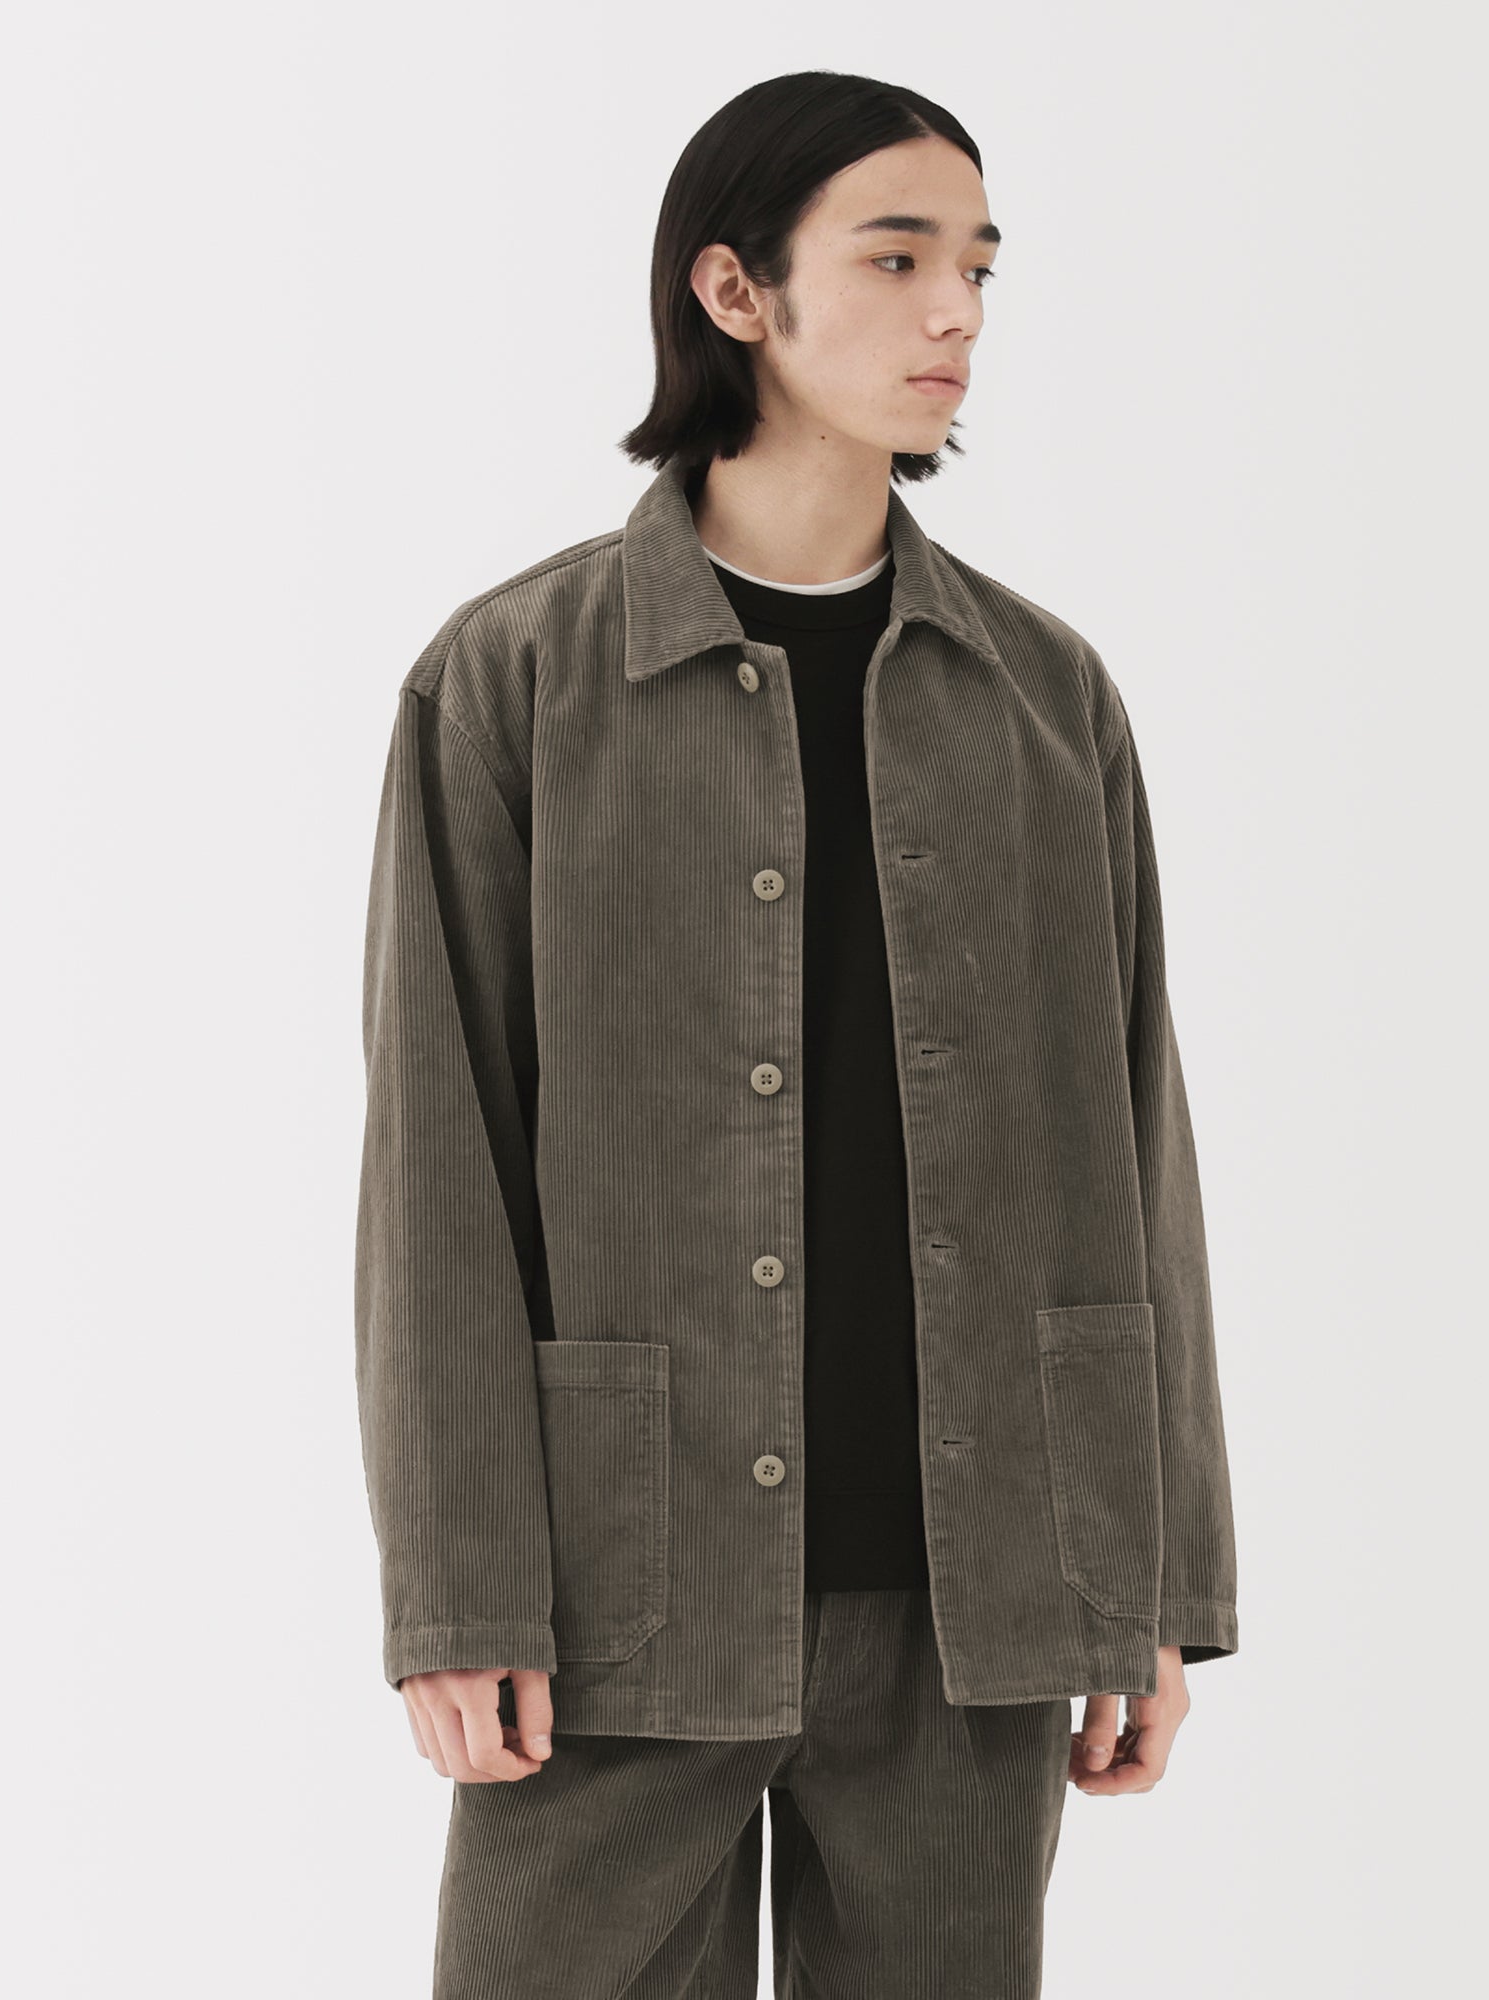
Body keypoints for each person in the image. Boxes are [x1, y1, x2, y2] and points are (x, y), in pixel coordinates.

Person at [353, 68, 1239, 1999]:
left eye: (980, 267)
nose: (958, 314)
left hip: (970, 1594)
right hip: (619, 1596)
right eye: (899, 260)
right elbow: (436, 1159)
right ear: (734, 291)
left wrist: (1155, 1575)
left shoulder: (1046, 697)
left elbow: (1134, 1136)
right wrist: (458, 1587)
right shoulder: (516, 683)